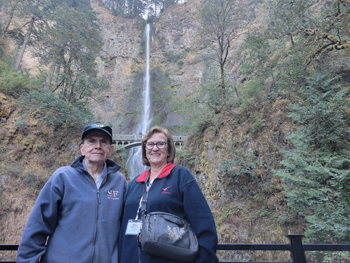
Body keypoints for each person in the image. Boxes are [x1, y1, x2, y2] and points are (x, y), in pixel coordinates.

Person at [17, 122, 128, 263]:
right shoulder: (63, 177)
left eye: (103, 141)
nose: (98, 146)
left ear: (110, 149)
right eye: (91, 141)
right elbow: (38, 224)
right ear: (82, 149)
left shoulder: (120, 182)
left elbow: (127, 227)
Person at [119, 126, 218, 263]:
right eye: (150, 144)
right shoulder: (134, 184)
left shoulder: (180, 176)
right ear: (145, 150)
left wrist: (204, 259)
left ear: (169, 150)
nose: (155, 148)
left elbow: (203, 223)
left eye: (160, 144)